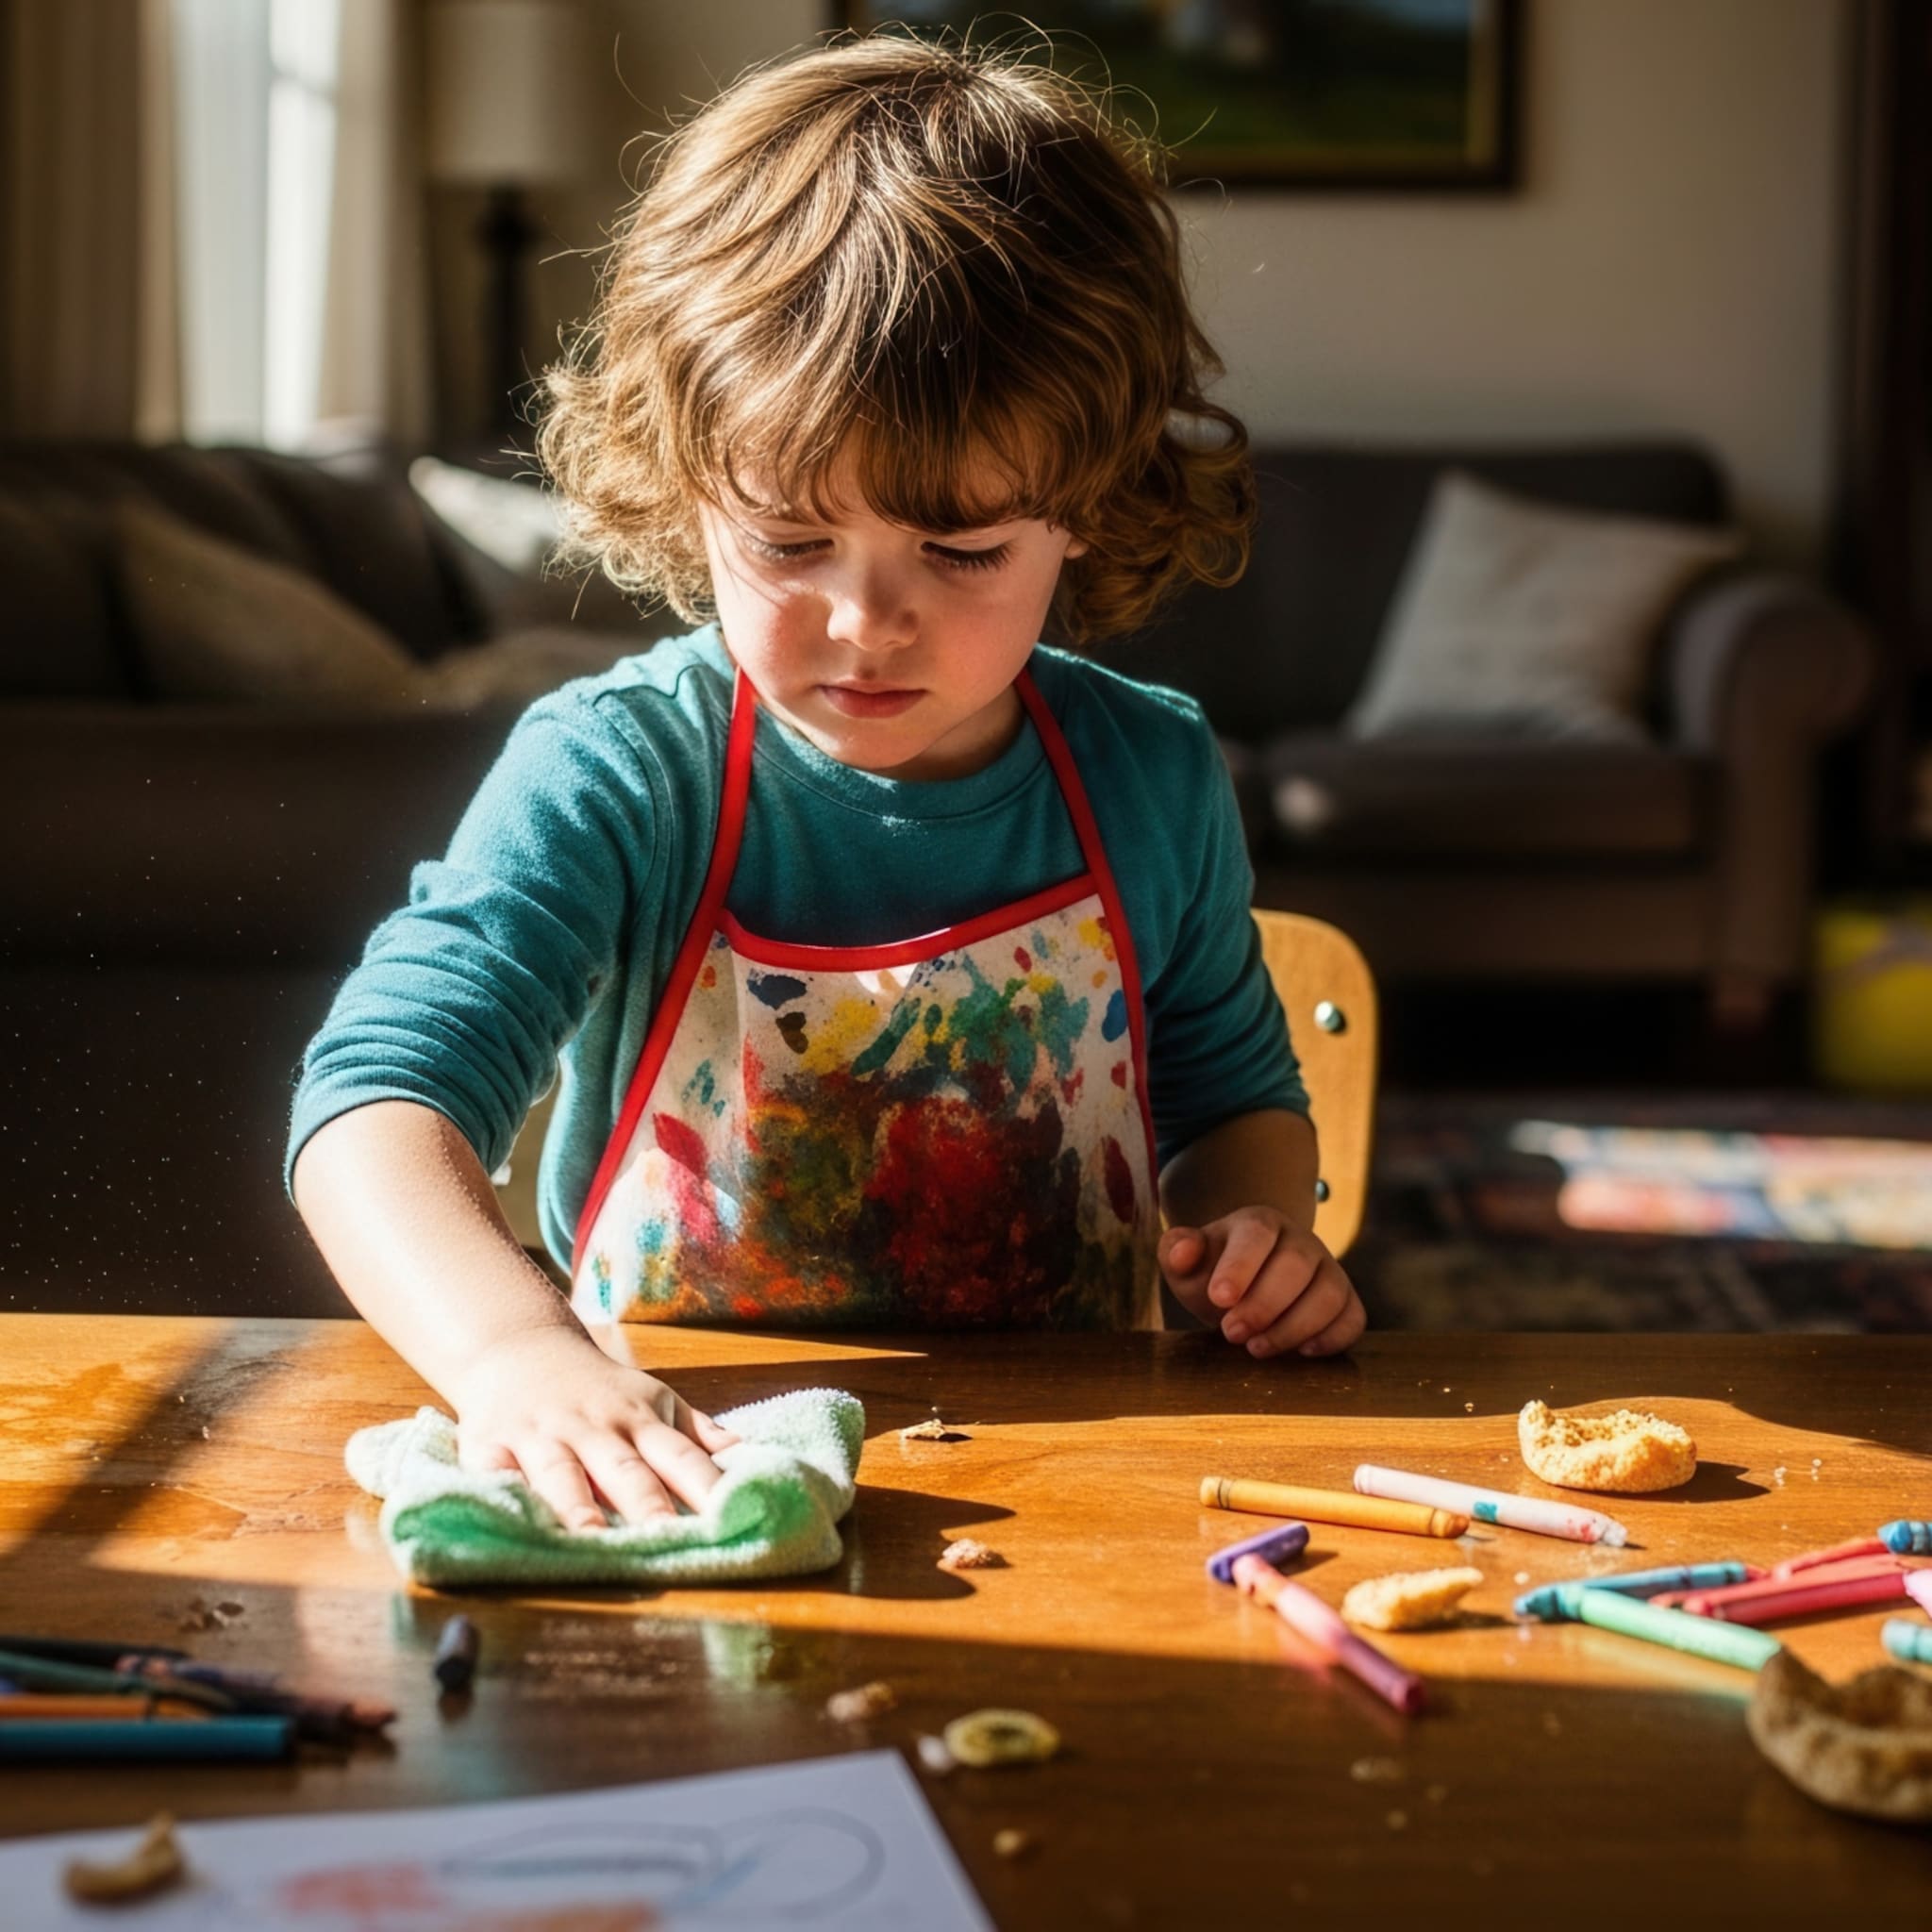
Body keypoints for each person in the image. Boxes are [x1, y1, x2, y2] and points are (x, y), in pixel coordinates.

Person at [288, 31, 1364, 1537]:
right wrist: (515, 1353)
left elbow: (1232, 1104)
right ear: (687, 481)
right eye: (792, 543)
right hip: (677, 1472)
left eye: (966, 551)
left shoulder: (1150, 773)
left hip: (1086, 1490)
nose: (870, 621)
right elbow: (375, 1106)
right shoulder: (621, 775)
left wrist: (1254, 1237)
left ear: (1088, 506)